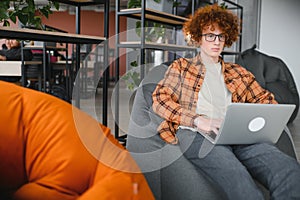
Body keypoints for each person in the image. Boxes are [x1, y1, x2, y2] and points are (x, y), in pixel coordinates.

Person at [152, 4, 300, 200]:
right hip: (198, 134)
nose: (216, 41)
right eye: (210, 35)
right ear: (198, 38)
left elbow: (265, 99)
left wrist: (262, 114)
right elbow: (160, 99)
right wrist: (197, 120)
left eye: (221, 36)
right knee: (239, 182)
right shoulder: (181, 67)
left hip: (237, 133)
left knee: (290, 171)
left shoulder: (238, 73)